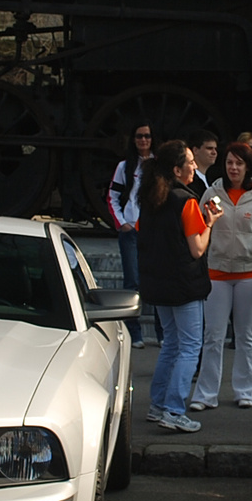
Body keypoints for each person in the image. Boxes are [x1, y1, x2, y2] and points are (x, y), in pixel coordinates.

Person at [138, 139, 221, 433]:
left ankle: (158, 405)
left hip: (157, 282)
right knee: (189, 346)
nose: (195, 166)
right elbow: (197, 248)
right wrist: (209, 223)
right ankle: (173, 409)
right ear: (177, 169)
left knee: (171, 344)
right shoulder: (186, 200)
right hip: (184, 283)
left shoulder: (150, 198)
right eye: (190, 162)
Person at [189, 142, 252, 411]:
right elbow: (200, 230)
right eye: (229, 162)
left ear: (248, 167)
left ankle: (245, 390)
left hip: (250, 273)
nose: (233, 168)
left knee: (245, 335)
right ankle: (205, 394)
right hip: (216, 273)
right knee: (213, 335)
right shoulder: (212, 193)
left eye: (239, 163)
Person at [107, 120, 153, 348]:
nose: (143, 140)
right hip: (131, 231)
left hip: (153, 232)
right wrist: (122, 223)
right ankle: (135, 333)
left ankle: (163, 333)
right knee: (132, 282)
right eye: (139, 136)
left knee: (155, 280)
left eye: (147, 136)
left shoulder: (158, 165)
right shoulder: (124, 166)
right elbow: (112, 196)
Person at [185, 129, 219, 197]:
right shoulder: (190, 180)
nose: (214, 152)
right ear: (195, 150)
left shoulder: (213, 181)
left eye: (215, 149)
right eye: (209, 148)